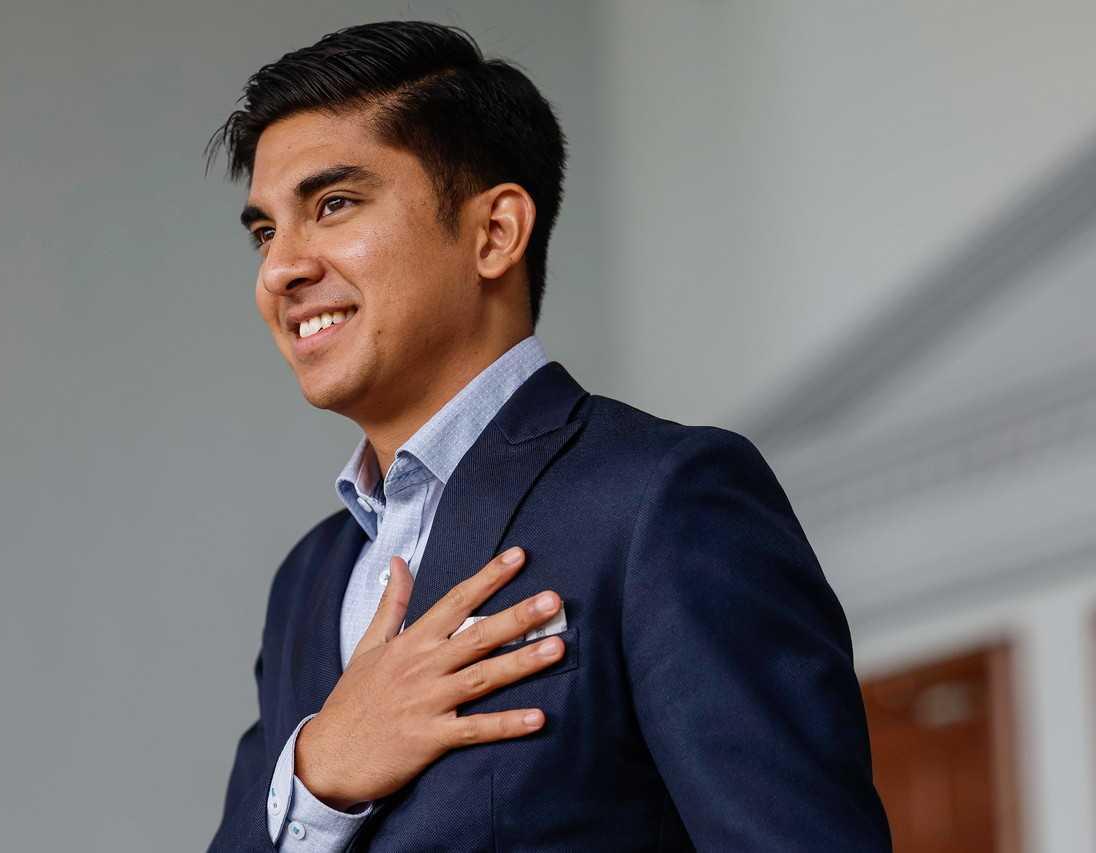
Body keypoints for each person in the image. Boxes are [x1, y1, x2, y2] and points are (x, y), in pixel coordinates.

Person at [202, 19, 891, 852]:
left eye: (334, 204)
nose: (279, 268)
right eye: (265, 231)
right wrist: (319, 771)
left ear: (495, 233)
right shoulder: (307, 581)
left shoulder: (661, 499)